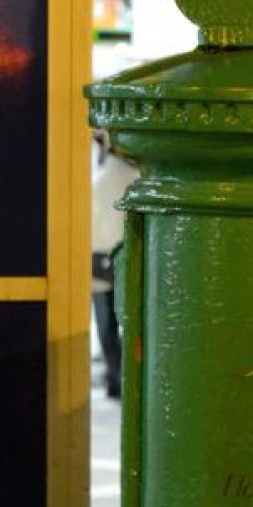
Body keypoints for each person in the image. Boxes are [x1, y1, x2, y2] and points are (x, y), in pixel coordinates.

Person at [91, 129, 139, 400]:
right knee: (130, 320)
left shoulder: (98, 181)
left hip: (97, 257)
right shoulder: (135, 179)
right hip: (126, 256)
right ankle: (130, 376)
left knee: (106, 321)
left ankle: (114, 380)